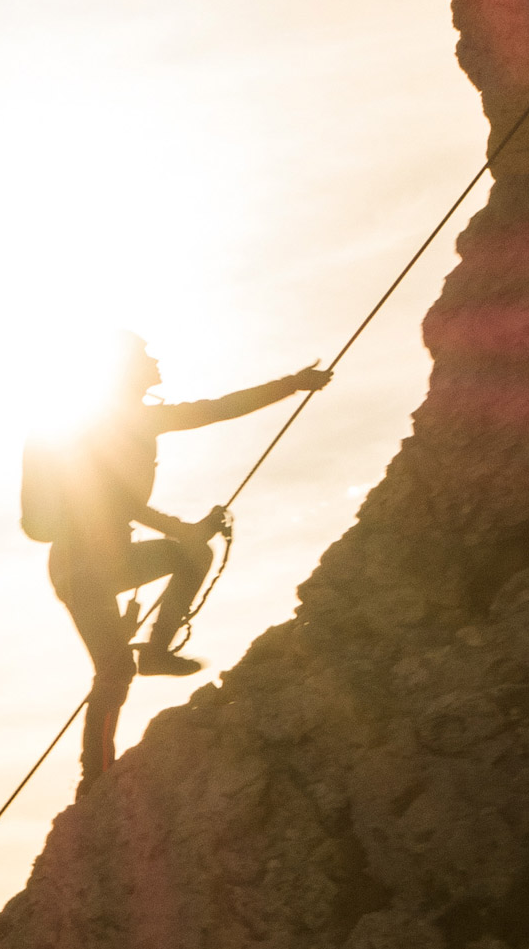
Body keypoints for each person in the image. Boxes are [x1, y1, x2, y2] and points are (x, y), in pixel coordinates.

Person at [22, 336, 328, 791]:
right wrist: (180, 528)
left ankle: (155, 655)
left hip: (94, 564)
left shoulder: (130, 421)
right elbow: (113, 500)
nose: (156, 361)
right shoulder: (108, 426)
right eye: (145, 358)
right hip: (85, 565)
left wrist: (292, 385)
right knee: (117, 667)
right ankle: (97, 773)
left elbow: (215, 409)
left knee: (185, 565)